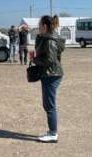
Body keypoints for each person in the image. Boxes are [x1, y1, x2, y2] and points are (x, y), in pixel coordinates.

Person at [32, 15, 65, 143]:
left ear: (45, 26)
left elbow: (49, 60)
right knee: (48, 104)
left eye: (39, 26)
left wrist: (34, 59)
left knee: (49, 105)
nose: (38, 28)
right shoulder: (48, 38)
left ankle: (53, 133)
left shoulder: (50, 41)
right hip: (51, 74)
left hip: (51, 74)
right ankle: (52, 131)